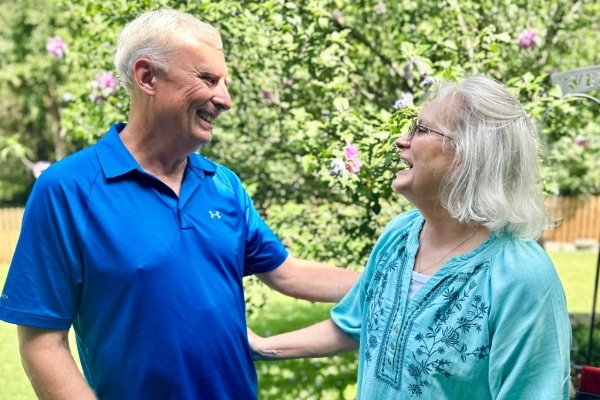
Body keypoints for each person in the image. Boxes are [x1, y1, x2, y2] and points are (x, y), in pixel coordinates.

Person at [0, 9, 359, 400]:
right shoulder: (67, 189)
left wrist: (391, 284)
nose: (225, 100)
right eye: (207, 79)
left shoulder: (223, 185)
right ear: (147, 77)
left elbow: (287, 274)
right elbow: (42, 343)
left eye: (223, 82)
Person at [249, 76, 572, 399]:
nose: (401, 141)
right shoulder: (399, 236)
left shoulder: (522, 276)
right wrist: (261, 347)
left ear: (467, 155)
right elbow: (354, 324)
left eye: (420, 129)